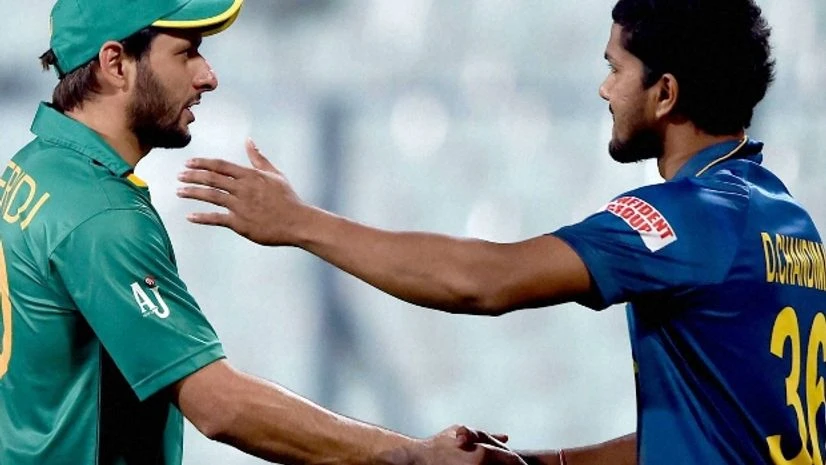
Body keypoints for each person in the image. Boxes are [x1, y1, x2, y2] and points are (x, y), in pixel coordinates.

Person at [177, 0, 817, 463]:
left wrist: (300, 223)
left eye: (616, 68)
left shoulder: (690, 216)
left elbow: (483, 282)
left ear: (665, 93)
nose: (603, 89)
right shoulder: (786, 220)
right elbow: (715, 429)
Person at [0, 1, 525, 464]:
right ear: (117, 63)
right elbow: (219, 406)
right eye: (187, 53)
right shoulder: (100, 215)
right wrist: (413, 457)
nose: (208, 77)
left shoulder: (33, 167)